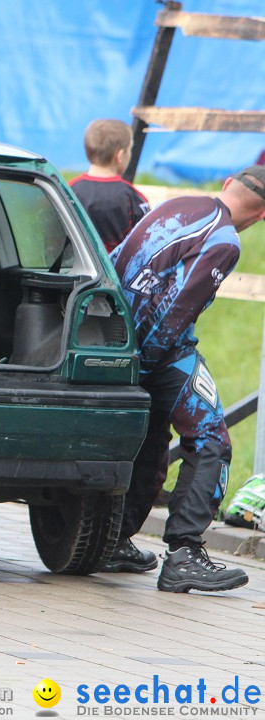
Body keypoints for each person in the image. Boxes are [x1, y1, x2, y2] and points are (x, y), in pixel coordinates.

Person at [105, 165, 265, 592]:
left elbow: (117, 259)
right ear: (262, 216)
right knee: (212, 439)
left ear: (228, 181)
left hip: (112, 337)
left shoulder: (176, 205)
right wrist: (145, 366)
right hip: (157, 351)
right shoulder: (225, 241)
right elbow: (178, 307)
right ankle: (185, 553)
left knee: (154, 441)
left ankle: (111, 540)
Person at [69, 119, 151, 253]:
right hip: (117, 273)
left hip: (74, 271)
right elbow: (147, 244)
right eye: (130, 149)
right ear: (119, 156)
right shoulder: (133, 197)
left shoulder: (69, 190)